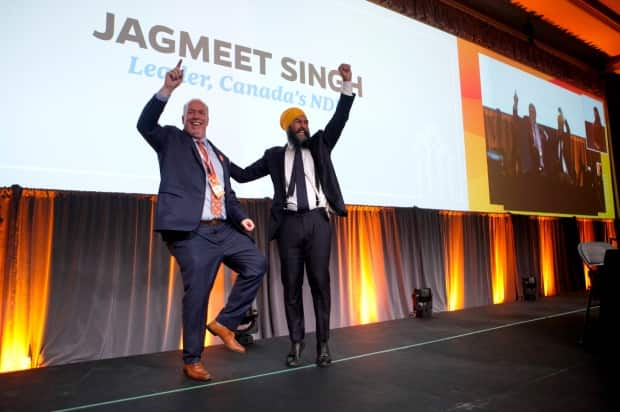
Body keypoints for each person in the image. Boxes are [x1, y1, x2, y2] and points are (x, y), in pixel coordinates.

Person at [137, 59, 267, 381]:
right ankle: (192, 359)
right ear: (183, 119)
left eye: (201, 114)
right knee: (197, 293)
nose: (196, 117)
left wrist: (242, 218)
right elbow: (145, 125)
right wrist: (167, 89)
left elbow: (228, 193)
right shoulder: (170, 140)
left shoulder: (217, 153)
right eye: (191, 113)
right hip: (191, 231)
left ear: (208, 120)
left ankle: (225, 322)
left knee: (256, 263)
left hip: (223, 228)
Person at [230, 63, 354, 368]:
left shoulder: (321, 145)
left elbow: (340, 118)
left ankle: (323, 345)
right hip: (287, 225)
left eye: (306, 121)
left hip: (317, 222)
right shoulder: (274, 156)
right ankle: (297, 343)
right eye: (297, 121)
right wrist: (218, 158)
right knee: (291, 286)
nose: (303, 124)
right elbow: (244, 175)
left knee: (320, 285)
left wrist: (346, 86)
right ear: (287, 126)